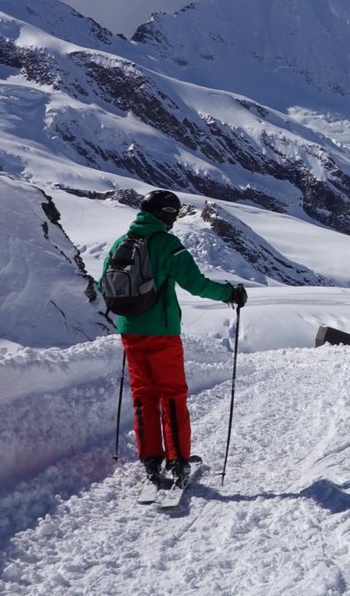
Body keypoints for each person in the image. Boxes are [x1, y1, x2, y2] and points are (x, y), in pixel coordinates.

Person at [102, 189, 247, 486]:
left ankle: (150, 460)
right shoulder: (168, 245)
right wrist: (230, 294)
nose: (175, 221)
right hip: (162, 333)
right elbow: (197, 284)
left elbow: (103, 282)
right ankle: (178, 461)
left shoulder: (121, 243)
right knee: (171, 394)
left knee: (143, 395)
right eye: (174, 215)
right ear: (166, 214)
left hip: (130, 331)